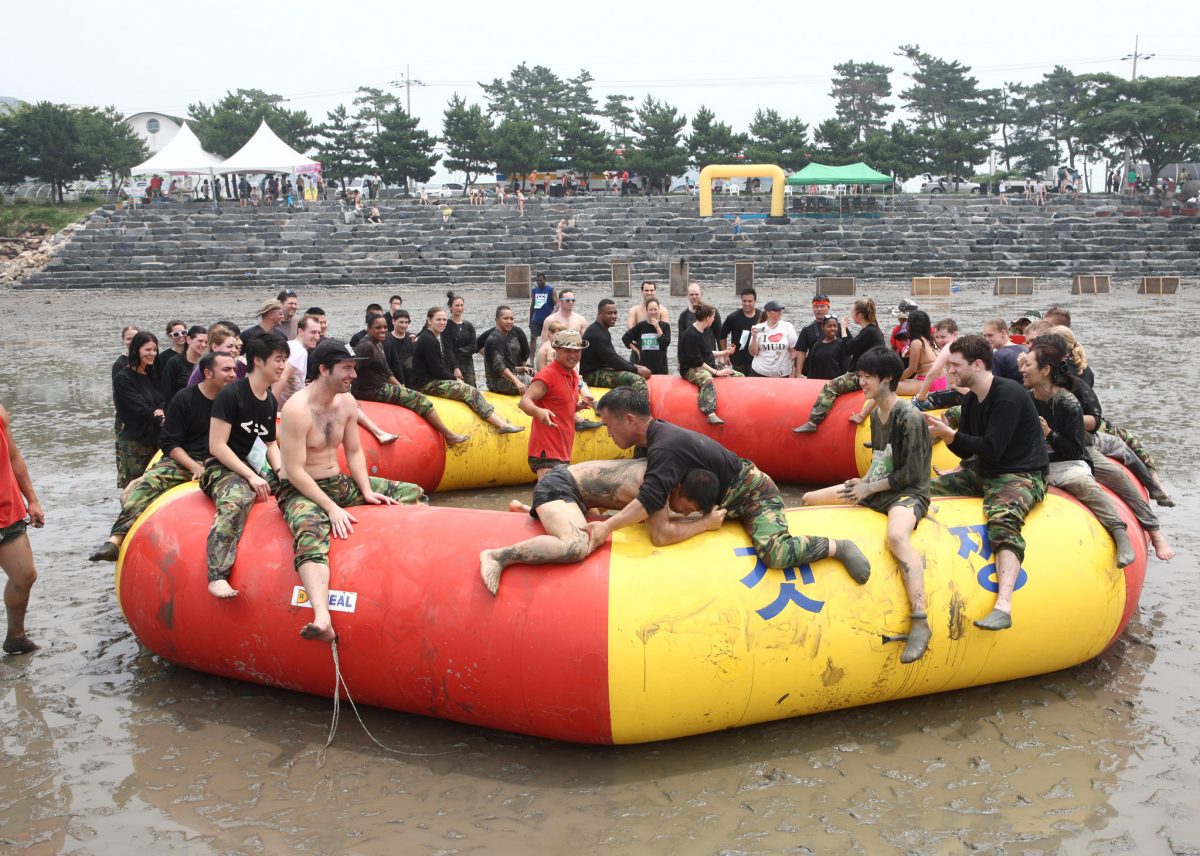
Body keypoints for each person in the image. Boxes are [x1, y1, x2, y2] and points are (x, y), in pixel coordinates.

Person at [588, 388, 872, 581]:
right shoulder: (649, 443)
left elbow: (650, 499)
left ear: (629, 419)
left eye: (610, 426)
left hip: (753, 493)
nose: (609, 434)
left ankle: (838, 547)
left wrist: (607, 527)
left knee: (774, 553)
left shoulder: (664, 446)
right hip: (720, 499)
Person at [278, 340, 428, 643]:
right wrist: (331, 509)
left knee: (413, 493)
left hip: (338, 482)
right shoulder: (296, 408)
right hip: (300, 489)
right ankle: (322, 618)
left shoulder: (346, 402)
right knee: (309, 534)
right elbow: (293, 470)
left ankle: (416, 568)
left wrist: (366, 491)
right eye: (346, 368)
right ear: (323, 369)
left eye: (353, 368)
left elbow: (355, 451)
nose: (353, 376)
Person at [801, 347, 933, 662]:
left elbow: (911, 475)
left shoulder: (909, 416)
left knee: (898, 537)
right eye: (860, 375)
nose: (861, 381)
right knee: (809, 499)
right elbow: (880, 461)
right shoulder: (875, 415)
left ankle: (920, 620)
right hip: (877, 486)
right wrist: (861, 485)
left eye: (867, 376)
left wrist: (869, 488)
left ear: (887, 378)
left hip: (909, 492)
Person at [924, 335, 1048, 631]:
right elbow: (968, 450)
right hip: (984, 470)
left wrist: (949, 435)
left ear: (977, 365)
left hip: (1020, 474)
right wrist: (945, 435)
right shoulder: (971, 400)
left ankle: (1004, 605)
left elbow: (993, 447)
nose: (949, 371)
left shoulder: (1009, 395)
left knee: (1003, 523)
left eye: (955, 365)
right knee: (921, 491)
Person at [90, 352, 239, 562]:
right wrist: (194, 466)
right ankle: (115, 539)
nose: (233, 374)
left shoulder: (235, 400)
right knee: (149, 483)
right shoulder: (185, 399)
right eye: (226, 370)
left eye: (234, 369)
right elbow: (169, 443)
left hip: (220, 462)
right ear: (207, 373)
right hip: (185, 459)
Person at [1017, 343, 1136, 567]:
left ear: (1045, 370)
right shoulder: (1024, 399)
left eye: (1028, 364)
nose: (1022, 369)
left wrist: (1049, 433)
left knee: (1084, 484)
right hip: (1033, 464)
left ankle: (1119, 532)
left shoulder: (1068, 403)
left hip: (1065, 463)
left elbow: (1074, 450)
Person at [479, 458, 651, 595]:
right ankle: (498, 556)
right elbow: (661, 533)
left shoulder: (660, 466)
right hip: (559, 487)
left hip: (575, 492)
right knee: (575, 545)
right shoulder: (658, 483)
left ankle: (528, 510)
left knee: (594, 514)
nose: (679, 511)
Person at [201, 335, 288, 599]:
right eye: (278, 360)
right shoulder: (232, 395)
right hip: (222, 468)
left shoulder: (270, 401)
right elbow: (217, 446)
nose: (283, 366)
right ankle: (217, 575)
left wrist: (283, 474)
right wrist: (251, 476)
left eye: (285, 360)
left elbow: (271, 444)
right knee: (236, 499)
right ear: (258, 361)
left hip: (254, 466)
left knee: (300, 485)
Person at [351, 313, 470, 445]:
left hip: (380, 386)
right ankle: (449, 435)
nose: (383, 330)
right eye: (378, 327)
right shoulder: (365, 346)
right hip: (371, 391)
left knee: (410, 393)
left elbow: (387, 372)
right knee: (419, 399)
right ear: (368, 328)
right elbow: (350, 370)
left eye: (385, 327)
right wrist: (348, 395)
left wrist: (401, 388)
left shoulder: (378, 343)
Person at [410, 307, 523, 433]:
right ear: (429, 321)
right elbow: (437, 370)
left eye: (444, 320)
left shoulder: (429, 337)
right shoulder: (429, 340)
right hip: (425, 385)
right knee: (470, 390)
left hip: (427, 380)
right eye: (438, 320)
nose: (442, 322)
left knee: (467, 387)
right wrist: (456, 379)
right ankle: (500, 424)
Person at [793, 298, 886, 433]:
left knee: (830, 386)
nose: (851, 314)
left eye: (852, 312)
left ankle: (813, 421)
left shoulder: (869, 332)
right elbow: (851, 346)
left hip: (864, 375)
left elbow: (847, 348)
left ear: (859, 315)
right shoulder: (871, 331)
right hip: (867, 373)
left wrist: (843, 328)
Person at [520, 329, 593, 480]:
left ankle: (520, 506)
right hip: (546, 449)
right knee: (550, 497)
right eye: (568, 351)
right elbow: (524, 402)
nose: (573, 356)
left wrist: (577, 406)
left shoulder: (572, 374)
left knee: (555, 497)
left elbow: (559, 404)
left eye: (577, 351)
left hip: (563, 448)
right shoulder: (548, 375)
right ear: (557, 349)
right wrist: (539, 412)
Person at [1, 404, 44, 655]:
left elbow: (13, 457)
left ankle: (16, 636)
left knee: (24, 576)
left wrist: (33, 500)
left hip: (7, 510)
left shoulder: (0, 412)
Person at [114, 332, 166, 489]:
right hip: (135, 443)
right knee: (135, 489)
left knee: (155, 488)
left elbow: (162, 399)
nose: (152, 354)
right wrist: (157, 415)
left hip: (156, 439)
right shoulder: (123, 377)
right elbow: (138, 407)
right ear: (136, 350)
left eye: (154, 350)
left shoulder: (151, 373)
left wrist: (162, 410)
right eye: (147, 350)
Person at [581, 299, 652, 391]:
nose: (614, 316)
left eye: (615, 313)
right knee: (636, 379)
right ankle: (641, 405)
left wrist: (635, 366)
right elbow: (613, 361)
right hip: (591, 375)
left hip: (602, 370)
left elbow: (614, 356)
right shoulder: (596, 333)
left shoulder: (603, 331)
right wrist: (636, 370)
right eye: (609, 313)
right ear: (599, 313)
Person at [481, 306, 533, 395]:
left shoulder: (502, 336)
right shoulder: (495, 339)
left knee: (538, 376)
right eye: (505, 318)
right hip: (498, 383)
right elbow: (500, 367)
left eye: (511, 319)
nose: (509, 321)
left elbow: (508, 366)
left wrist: (522, 368)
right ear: (497, 320)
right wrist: (517, 382)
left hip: (504, 380)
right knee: (539, 384)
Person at [274, 314, 321, 406]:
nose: (317, 337)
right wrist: (271, 408)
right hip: (290, 407)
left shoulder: (289, 344)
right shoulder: (300, 351)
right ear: (300, 331)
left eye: (318, 333)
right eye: (313, 332)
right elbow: (282, 377)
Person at [748, 300, 799, 378]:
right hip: (760, 372)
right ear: (768, 313)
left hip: (782, 373)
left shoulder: (787, 327)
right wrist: (754, 337)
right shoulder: (759, 327)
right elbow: (753, 353)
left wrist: (792, 368)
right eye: (776, 310)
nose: (780, 312)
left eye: (781, 310)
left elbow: (794, 350)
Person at [621, 297, 671, 376]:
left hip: (661, 367)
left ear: (659, 310)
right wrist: (637, 351)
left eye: (655, 309)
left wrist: (657, 327)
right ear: (647, 311)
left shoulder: (665, 326)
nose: (653, 312)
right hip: (644, 367)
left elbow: (665, 344)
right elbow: (625, 338)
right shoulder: (641, 325)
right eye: (651, 310)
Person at [795, 294, 840, 378]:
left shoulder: (839, 327)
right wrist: (798, 373)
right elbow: (801, 352)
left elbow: (848, 349)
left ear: (828, 307)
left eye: (822, 306)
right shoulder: (807, 329)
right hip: (814, 372)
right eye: (816, 306)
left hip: (835, 372)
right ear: (812, 308)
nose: (819, 309)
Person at [160, 325, 207, 403]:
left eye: (206, 342)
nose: (204, 345)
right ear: (188, 340)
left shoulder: (206, 363)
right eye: (200, 341)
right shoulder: (174, 362)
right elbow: (167, 393)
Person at [720, 288, 761, 375]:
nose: (747, 304)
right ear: (741, 300)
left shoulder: (761, 317)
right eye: (744, 301)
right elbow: (722, 335)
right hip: (737, 360)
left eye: (750, 301)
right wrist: (725, 354)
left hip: (757, 360)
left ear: (755, 301)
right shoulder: (733, 317)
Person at [444, 292, 478, 387]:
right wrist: (455, 367)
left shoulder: (469, 326)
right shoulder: (446, 326)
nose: (460, 308)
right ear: (450, 307)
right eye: (457, 306)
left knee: (472, 389)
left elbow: (474, 347)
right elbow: (447, 349)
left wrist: (458, 350)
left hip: (468, 366)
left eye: (461, 305)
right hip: (451, 367)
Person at [982, 317, 1027, 383]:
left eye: (990, 335)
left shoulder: (998, 356)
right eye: (985, 336)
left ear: (1003, 333)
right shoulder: (1024, 349)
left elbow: (994, 386)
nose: (987, 339)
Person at [529, 273, 557, 343]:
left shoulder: (551, 290)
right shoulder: (534, 291)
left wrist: (553, 315)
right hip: (537, 320)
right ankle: (532, 354)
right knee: (533, 337)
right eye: (537, 280)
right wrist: (530, 320)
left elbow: (557, 305)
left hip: (548, 320)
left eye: (540, 280)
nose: (539, 282)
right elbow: (532, 306)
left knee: (549, 338)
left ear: (545, 280)